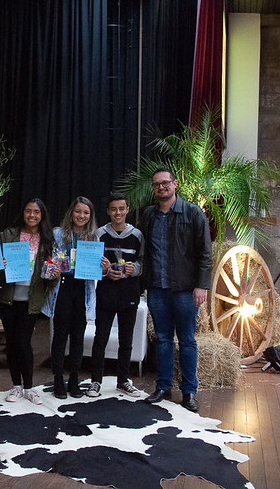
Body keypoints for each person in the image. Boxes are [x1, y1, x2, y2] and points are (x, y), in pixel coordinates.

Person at [140, 168, 212, 412]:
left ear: (175, 183)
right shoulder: (149, 215)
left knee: (187, 341)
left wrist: (201, 285)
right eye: (156, 185)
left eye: (165, 183)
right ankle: (163, 387)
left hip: (185, 290)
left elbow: (205, 253)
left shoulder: (193, 213)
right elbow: (143, 251)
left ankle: (189, 391)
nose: (161, 187)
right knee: (162, 340)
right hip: (157, 289)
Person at [0, 198, 56, 405]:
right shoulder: (8, 235)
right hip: (8, 297)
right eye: (28, 211)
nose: (32, 215)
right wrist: (0, 264)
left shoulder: (47, 239)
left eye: (36, 212)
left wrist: (54, 274)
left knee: (23, 342)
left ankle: (29, 387)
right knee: (11, 343)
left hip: (32, 298)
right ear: (23, 213)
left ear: (42, 215)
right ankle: (16, 386)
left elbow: (50, 273)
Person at [87, 192, 144, 398]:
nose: (118, 213)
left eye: (121, 208)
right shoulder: (99, 234)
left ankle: (123, 381)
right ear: (108, 211)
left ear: (127, 209)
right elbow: (91, 264)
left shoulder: (137, 235)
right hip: (106, 293)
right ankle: (95, 381)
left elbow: (143, 262)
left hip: (129, 293)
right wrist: (104, 271)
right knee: (100, 338)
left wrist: (133, 269)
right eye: (113, 209)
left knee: (126, 340)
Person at [43, 196, 98, 399]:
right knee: (60, 336)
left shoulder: (93, 238)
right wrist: (51, 269)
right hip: (62, 288)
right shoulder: (57, 234)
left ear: (90, 216)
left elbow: (96, 270)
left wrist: (101, 266)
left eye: (86, 212)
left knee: (77, 337)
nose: (81, 216)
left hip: (82, 290)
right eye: (78, 211)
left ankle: (74, 379)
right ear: (71, 213)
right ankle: (58, 379)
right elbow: (46, 262)